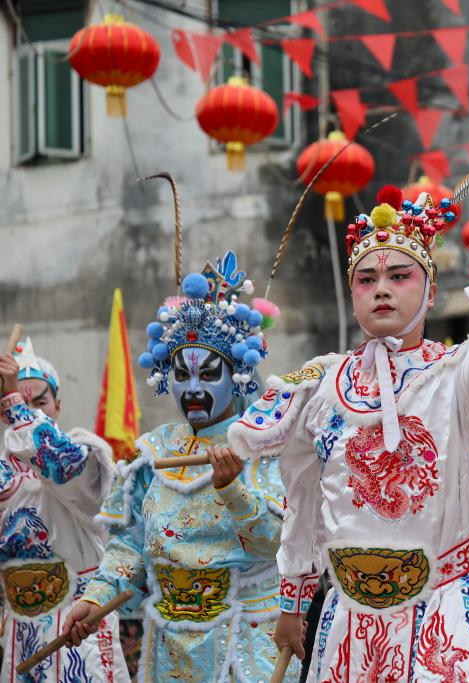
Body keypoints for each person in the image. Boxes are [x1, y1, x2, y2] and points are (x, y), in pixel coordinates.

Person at [228, 185, 469, 682]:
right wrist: (293, 603)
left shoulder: (459, 374)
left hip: (443, 612)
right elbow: (303, 499)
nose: (382, 289)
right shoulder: (322, 386)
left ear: (430, 292)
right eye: (366, 279)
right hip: (349, 620)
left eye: (399, 276)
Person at [62, 249, 300, 682]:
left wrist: (234, 491)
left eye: (208, 375)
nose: (192, 388)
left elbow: (278, 545)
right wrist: (96, 599)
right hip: (169, 644)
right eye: (181, 374)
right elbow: (129, 545)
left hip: (247, 639)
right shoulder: (151, 451)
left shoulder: (263, 442)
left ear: (237, 375)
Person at [0, 338, 129, 682]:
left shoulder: (85, 454)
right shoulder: (3, 473)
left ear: (57, 404)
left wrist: (15, 404)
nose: (33, 411)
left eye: (40, 402)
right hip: (20, 635)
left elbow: (60, 463)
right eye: (22, 404)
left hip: (78, 627)